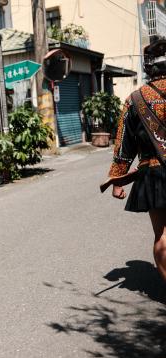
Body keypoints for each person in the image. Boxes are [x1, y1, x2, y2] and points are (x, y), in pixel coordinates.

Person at [102, 36, 166, 284]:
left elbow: (123, 142)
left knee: (161, 235)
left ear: (149, 67)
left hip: (152, 172)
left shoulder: (134, 99)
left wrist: (117, 178)